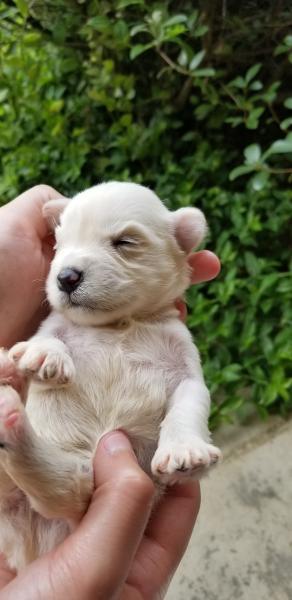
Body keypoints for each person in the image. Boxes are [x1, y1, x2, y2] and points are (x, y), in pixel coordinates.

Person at [0, 185, 220, 599]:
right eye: (63, 243)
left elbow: (190, 388)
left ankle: (20, 446)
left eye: (123, 243)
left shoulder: (169, 333)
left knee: (81, 486)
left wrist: (183, 436)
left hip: (86, 499)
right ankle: (19, 446)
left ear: (181, 242)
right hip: (20, 506)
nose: (69, 269)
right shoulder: (60, 328)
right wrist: (47, 349)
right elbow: (41, 347)